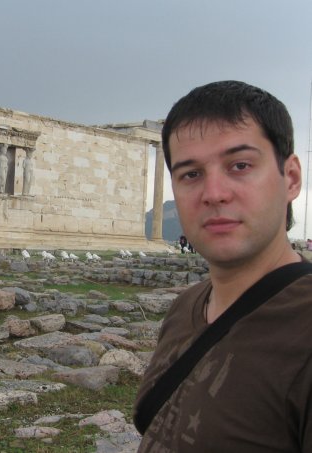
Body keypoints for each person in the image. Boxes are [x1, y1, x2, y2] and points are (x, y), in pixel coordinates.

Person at [133, 81, 311, 452]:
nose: (214, 193)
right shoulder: (185, 307)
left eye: (240, 165)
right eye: (191, 174)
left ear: (291, 178)